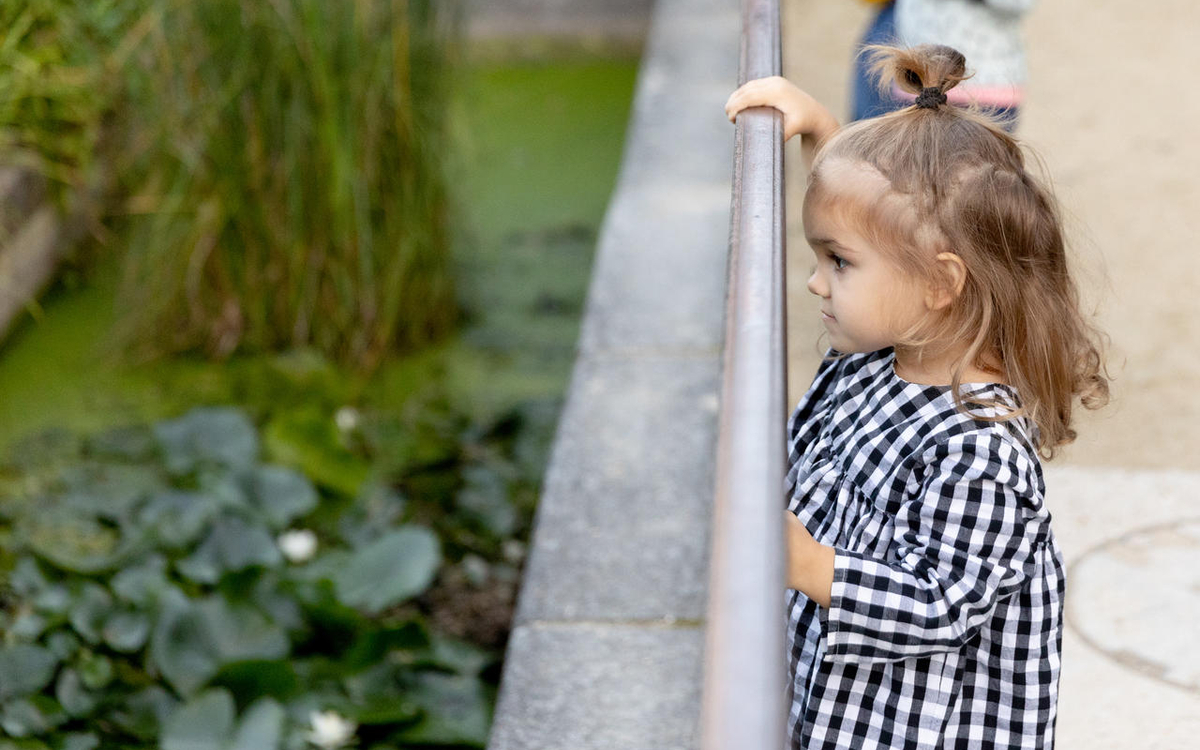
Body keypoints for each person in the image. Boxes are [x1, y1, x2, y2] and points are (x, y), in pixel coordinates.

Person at [724, 44, 1109, 750]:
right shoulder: (891, 350)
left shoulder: (979, 449)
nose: (815, 283)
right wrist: (820, 127)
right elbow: (886, 224)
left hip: (913, 724)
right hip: (841, 698)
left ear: (941, 284)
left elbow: (940, 603)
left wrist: (803, 560)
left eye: (836, 262)